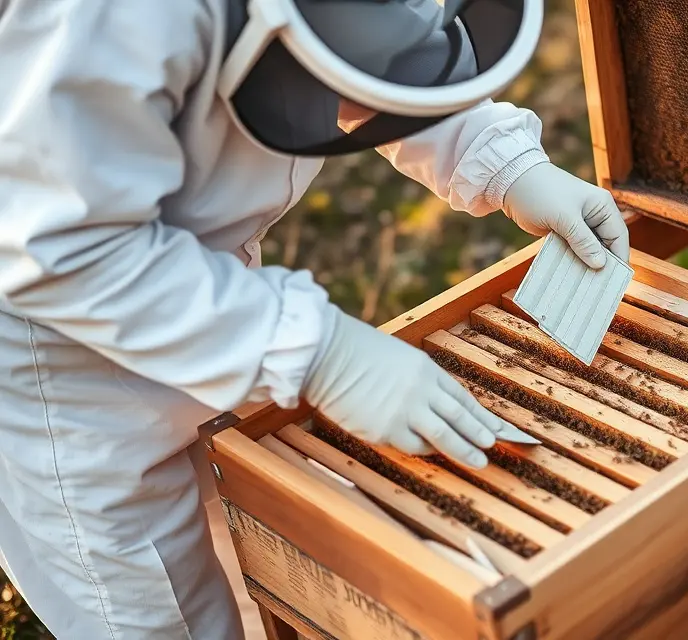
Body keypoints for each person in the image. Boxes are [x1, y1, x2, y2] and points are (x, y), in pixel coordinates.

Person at [0, 0, 629, 637]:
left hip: (202, 297)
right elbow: (63, 246)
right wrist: (320, 352)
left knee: (272, 550)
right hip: (65, 370)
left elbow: (388, 58)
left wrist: (512, 167)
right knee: (162, 613)